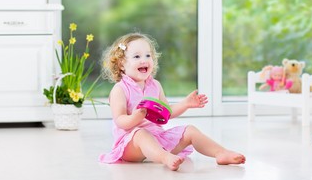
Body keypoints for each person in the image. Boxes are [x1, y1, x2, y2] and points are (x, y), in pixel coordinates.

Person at [99, 32, 245, 171]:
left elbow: (166, 112)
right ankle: (165, 158)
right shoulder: (120, 89)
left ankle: (220, 153)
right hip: (131, 144)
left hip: (158, 139)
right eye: (136, 56)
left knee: (190, 130)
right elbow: (120, 120)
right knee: (141, 133)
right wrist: (136, 117)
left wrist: (185, 104)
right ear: (121, 65)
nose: (144, 60)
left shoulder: (155, 85)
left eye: (148, 55)